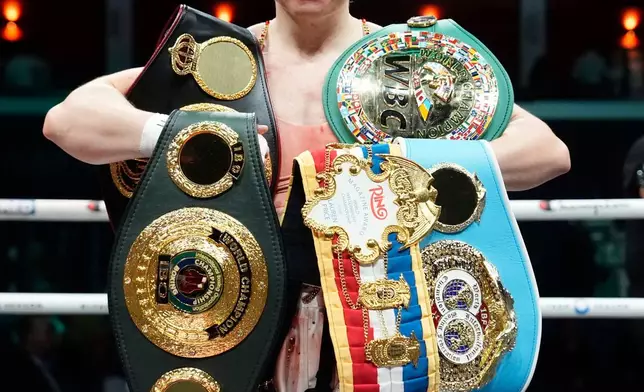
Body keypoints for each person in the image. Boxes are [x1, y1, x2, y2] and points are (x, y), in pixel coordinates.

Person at [42, 0, 571, 390]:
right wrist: (193, 136)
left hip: (378, 320)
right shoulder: (223, 62)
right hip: (236, 312)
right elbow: (67, 122)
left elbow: (547, 151)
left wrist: (409, 166)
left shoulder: (404, 69)